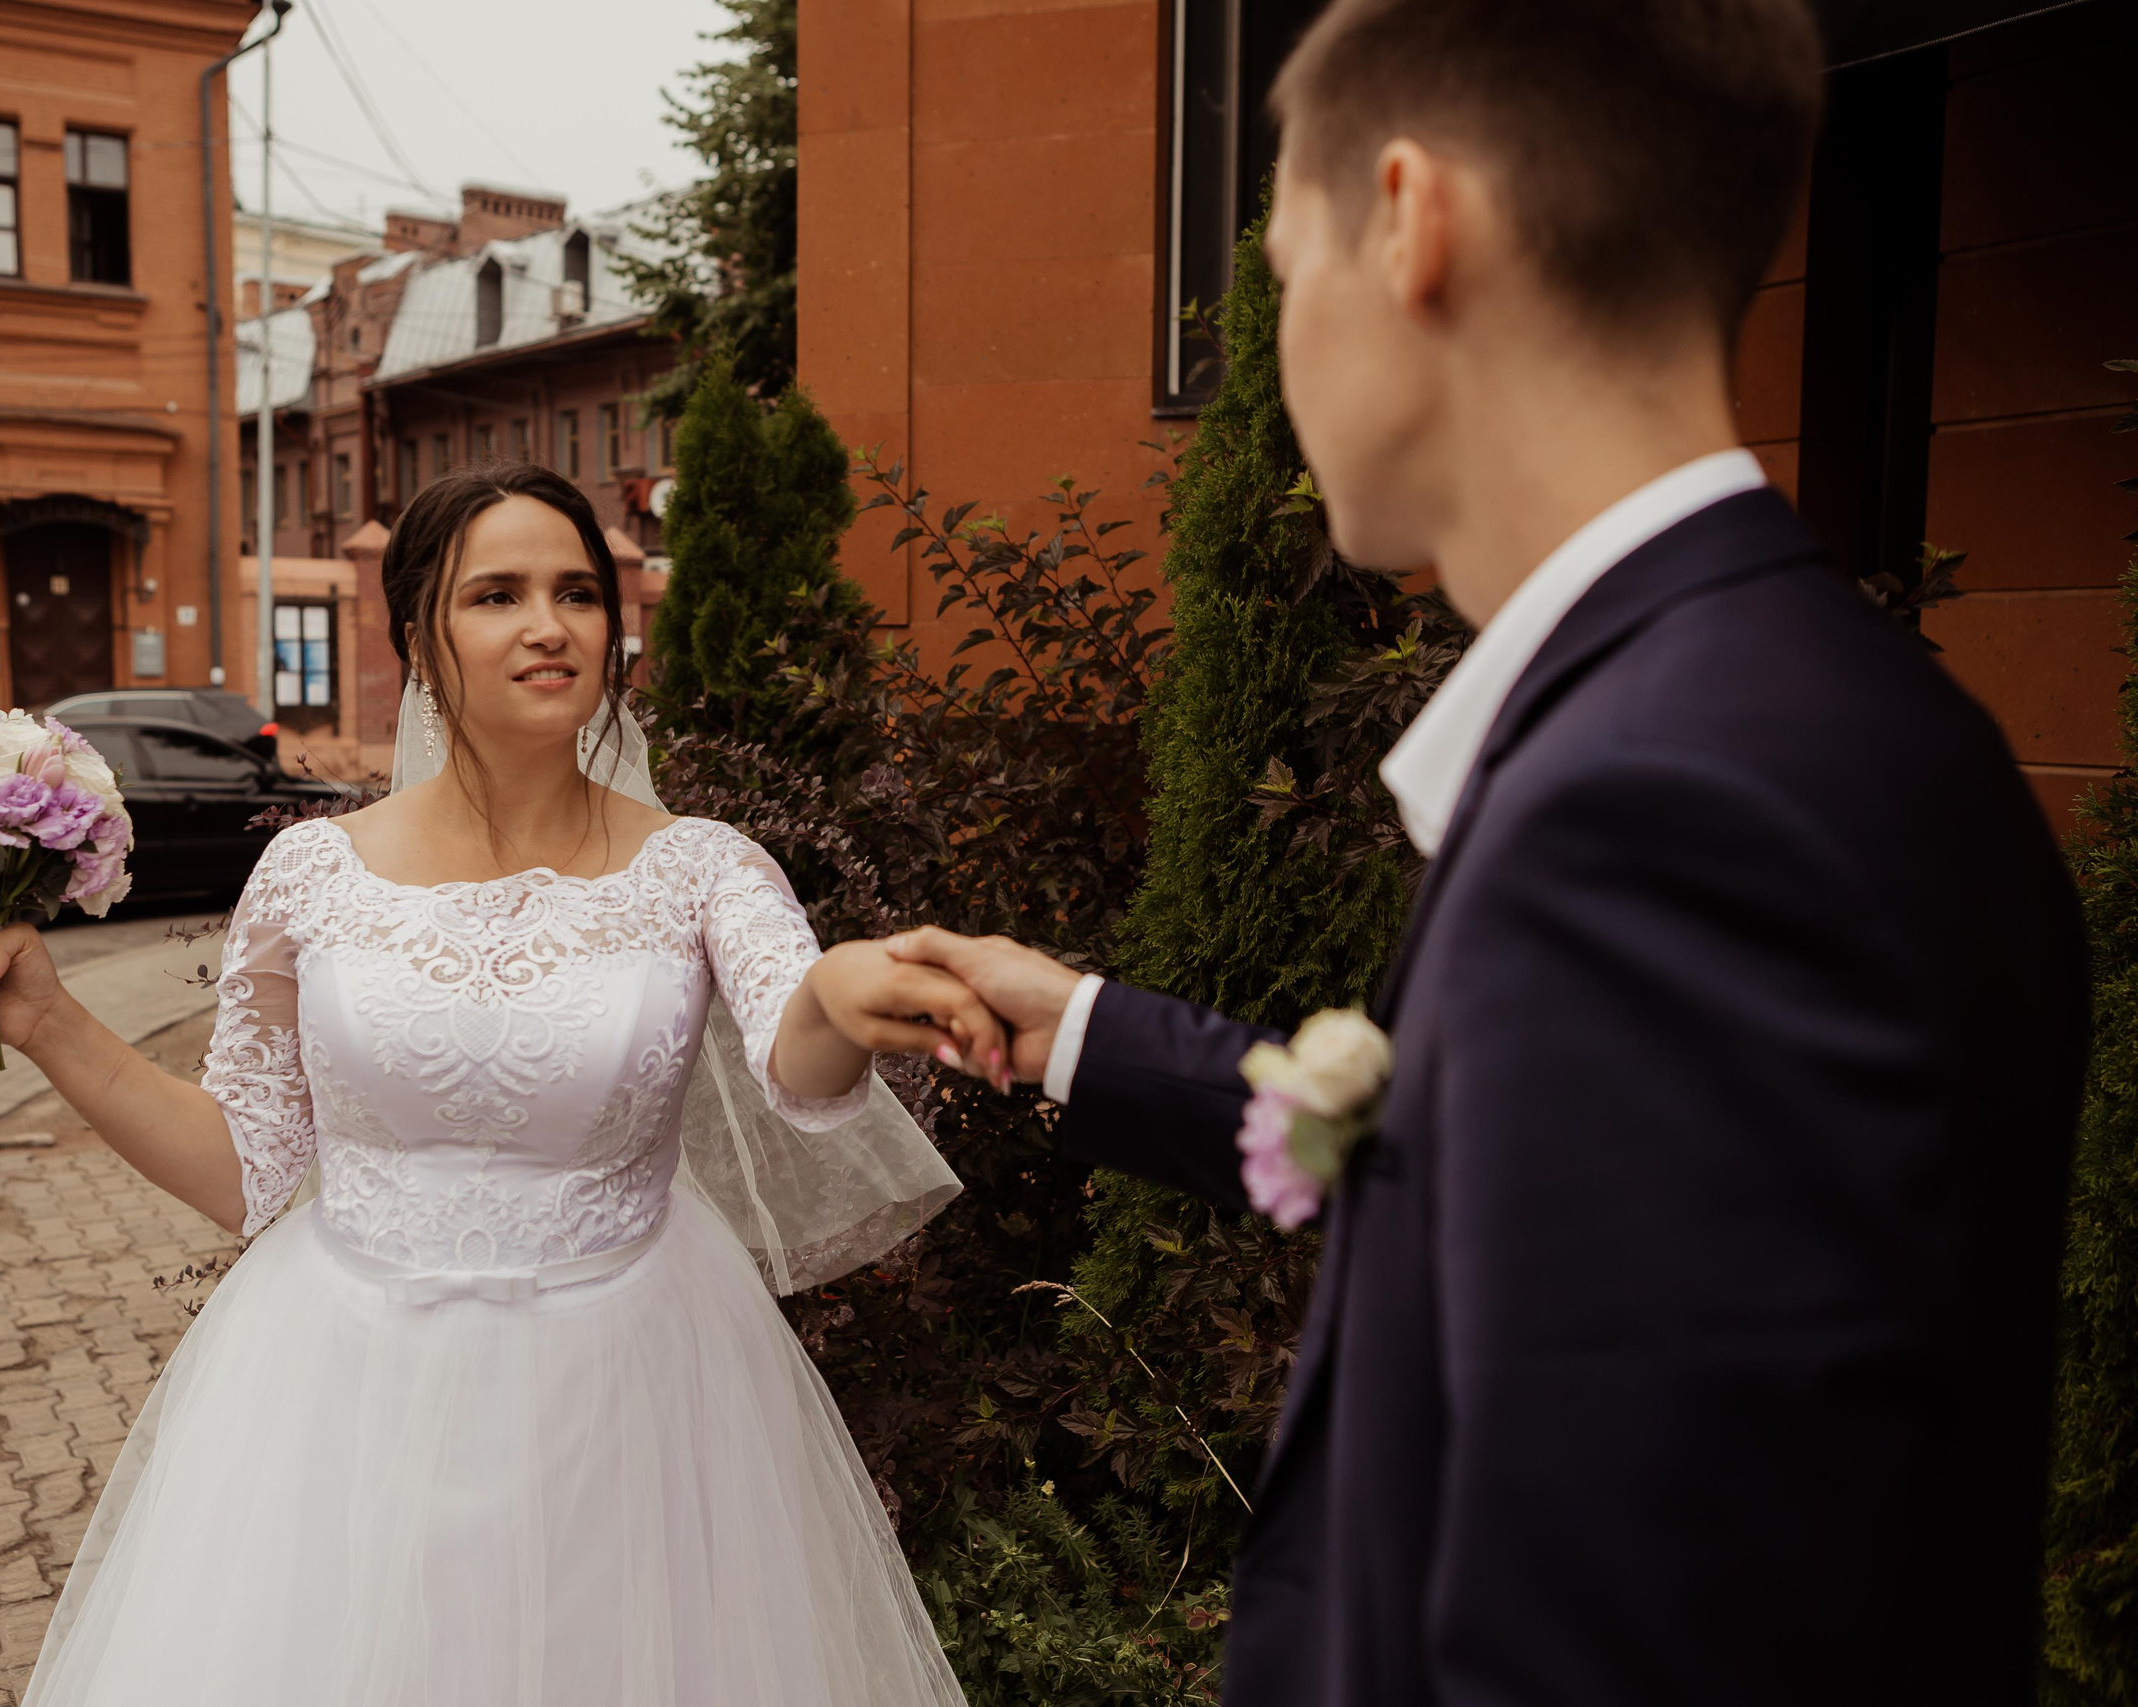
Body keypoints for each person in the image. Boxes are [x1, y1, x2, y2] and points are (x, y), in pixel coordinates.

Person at [884, 1, 2088, 1702]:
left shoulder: (1661, 813)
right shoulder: (1792, 712)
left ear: (1411, 220)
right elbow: (1484, 1164)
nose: (1273, 341)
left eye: (1286, 263)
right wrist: (1085, 1026)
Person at [0, 463, 985, 1706]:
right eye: (497, 594)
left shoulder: (704, 870)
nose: (549, 624)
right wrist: (44, 1021)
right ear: (418, 630)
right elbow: (241, 1166)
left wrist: (842, 1003)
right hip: (343, 1383)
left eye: (578, 592)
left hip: (631, 1383)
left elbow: (795, 1068)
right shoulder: (313, 874)